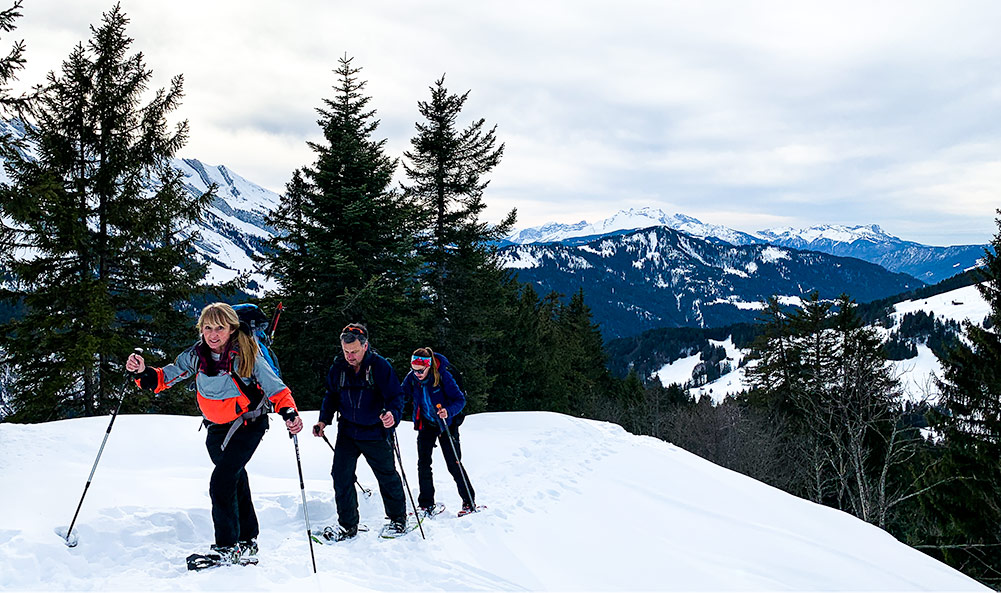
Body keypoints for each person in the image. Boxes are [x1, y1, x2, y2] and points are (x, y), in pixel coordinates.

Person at [126, 302, 302, 563]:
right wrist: (142, 372)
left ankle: (227, 546)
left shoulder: (248, 356)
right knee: (234, 479)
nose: (213, 334)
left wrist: (289, 413)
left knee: (221, 482)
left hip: (248, 426)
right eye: (207, 327)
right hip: (215, 429)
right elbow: (166, 377)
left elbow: (277, 389)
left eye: (220, 328)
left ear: (232, 329)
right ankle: (248, 539)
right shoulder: (197, 355)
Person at [312, 323, 408, 540]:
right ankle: (347, 525)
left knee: (386, 475)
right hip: (347, 431)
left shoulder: (380, 366)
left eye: (354, 351)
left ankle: (398, 519)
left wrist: (392, 414)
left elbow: (396, 396)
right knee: (341, 475)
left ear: (365, 346)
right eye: (346, 351)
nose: (350, 356)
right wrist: (323, 420)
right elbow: (331, 395)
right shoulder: (339, 367)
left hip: (375, 432)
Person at [401, 347, 476, 516]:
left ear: (429, 367)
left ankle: (469, 502)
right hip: (426, 423)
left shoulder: (443, 376)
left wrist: (448, 411)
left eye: (421, 370)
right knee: (423, 463)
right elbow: (402, 394)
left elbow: (460, 400)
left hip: (446, 425)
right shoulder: (412, 377)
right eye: (414, 369)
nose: (417, 373)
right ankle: (426, 504)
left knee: (454, 463)